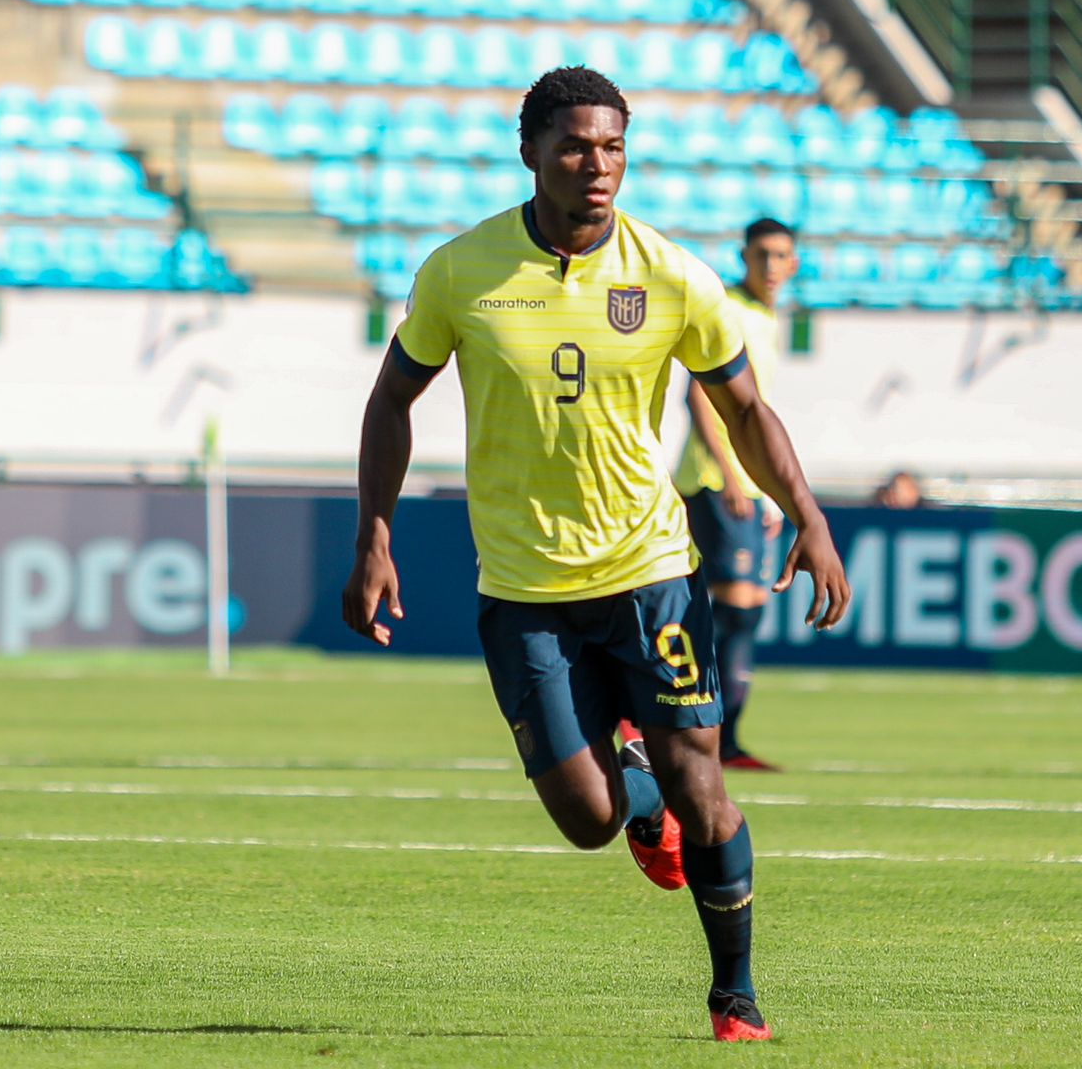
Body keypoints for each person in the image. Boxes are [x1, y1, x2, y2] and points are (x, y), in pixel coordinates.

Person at [340, 66, 851, 1040]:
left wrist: (808, 517)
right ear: (530, 151)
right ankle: (634, 779)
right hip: (525, 588)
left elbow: (745, 407)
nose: (597, 165)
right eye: (576, 146)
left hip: (650, 571)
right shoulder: (461, 272)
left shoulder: (673, 275)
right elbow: (390, 400)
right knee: (586, 819)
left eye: (613, 147)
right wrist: (375, 535)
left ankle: (735, 997)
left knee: (705, 781)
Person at [672, 218, 799, 771]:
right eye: (762, 254)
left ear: (794, 263)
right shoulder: (728, 309)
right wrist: (728, 474)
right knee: (736, 609)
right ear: (744, 255)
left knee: (733, 608)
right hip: (714, 481)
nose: (771, 266)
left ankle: (716, 736)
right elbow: (700, 396)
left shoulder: (768, 318)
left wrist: (767, 491)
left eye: (782, 256)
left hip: (743, 487)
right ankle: (709, 737)